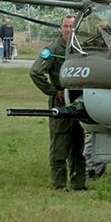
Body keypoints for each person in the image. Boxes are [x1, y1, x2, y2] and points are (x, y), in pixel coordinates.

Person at [30, 14, 86, 191]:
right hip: (60, 100)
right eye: (65, 26)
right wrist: (54, 91)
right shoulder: (54, 49)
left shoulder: (82, 48)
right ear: (61, 28)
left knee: (79, 143)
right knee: (60, 142)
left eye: (71, 26)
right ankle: (59, 185)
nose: (68, 30)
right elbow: (35, 72)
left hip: (80, 100)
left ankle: (78, 184)